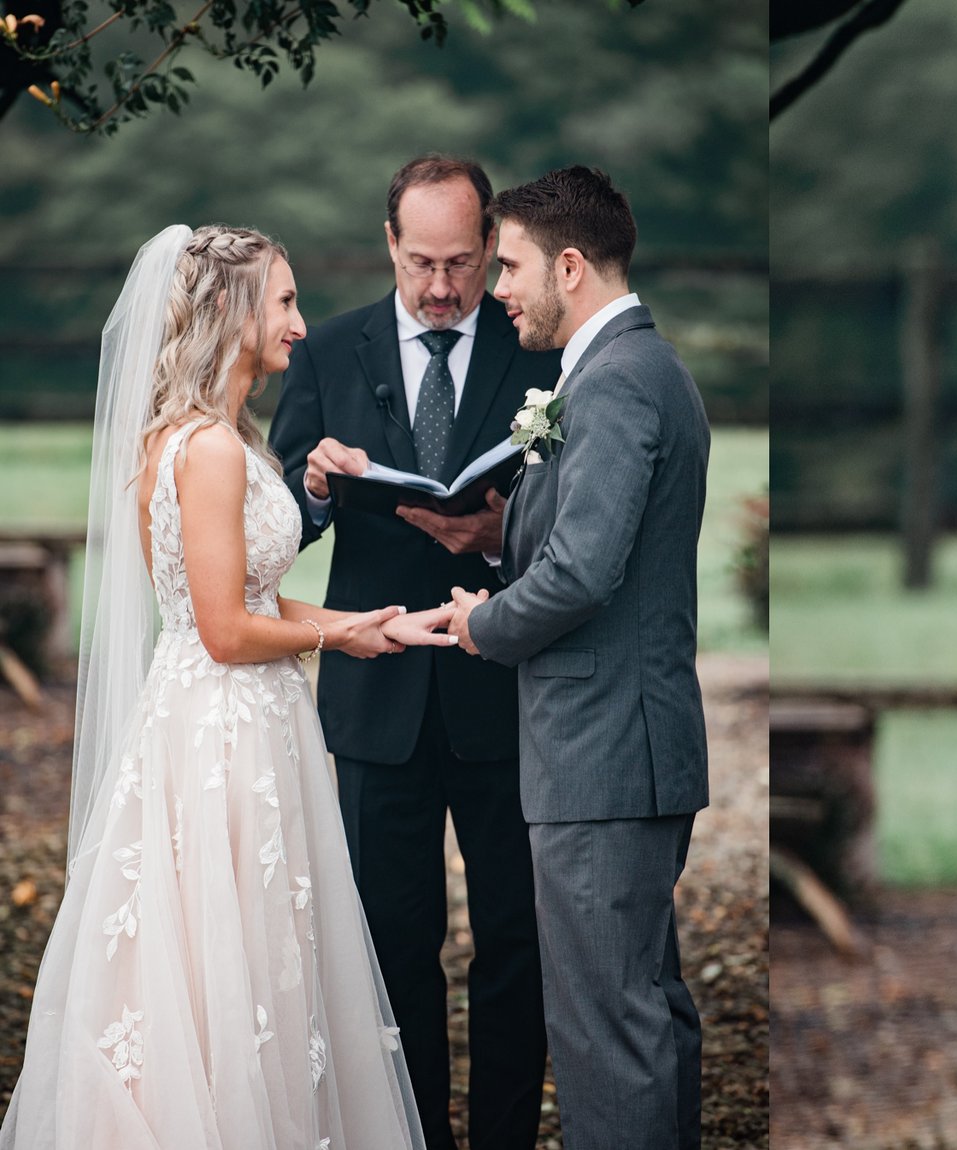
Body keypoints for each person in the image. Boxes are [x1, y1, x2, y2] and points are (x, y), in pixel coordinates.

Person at [0, 224, 450, 1148]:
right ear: (233, 313)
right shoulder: (203, 450)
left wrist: (365, 625)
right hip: (222, 735)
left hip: (250, 717)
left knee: (260, 962)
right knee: (224, 962)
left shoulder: (228, 439)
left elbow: (253, 594)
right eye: (283, 302)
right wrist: (332, 643)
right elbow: (224, 629)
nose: (301, 322)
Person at [270, 154, 556, 1150]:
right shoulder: (332, 350)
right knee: (393, 947)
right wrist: (310, 488)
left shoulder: (540, 353)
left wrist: (500, 535)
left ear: (491, 251)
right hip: (376, 692)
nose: (442, 288)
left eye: (463, 264)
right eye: (422, 262)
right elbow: (277, 528)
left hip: (503, 689)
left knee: (516, 944)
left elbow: (575, 518)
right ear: (389, 243)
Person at [442, 166, 711, 1150]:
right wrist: (497, 533)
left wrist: (485, 624)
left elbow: (586, 572)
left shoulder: (619, 382)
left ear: (567, 263)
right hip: (616, 749)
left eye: (506, 265)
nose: (494, 287)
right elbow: (600, 543)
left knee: (605, 1028)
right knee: (644, 1008)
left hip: (602, 752)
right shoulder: (616, 373)